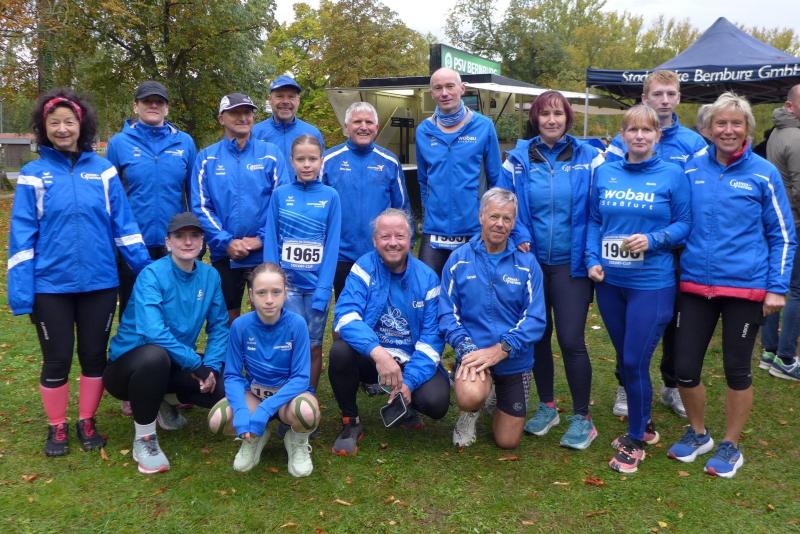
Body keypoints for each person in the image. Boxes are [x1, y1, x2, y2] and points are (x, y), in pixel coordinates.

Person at [8, 88, 151, 456]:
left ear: (81, 125)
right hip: (50, 287)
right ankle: (57, 426)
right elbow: (22, 237)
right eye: (54, 123)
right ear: (43, 127)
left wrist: (148, 272)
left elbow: (124, 226)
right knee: (56, 359)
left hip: (100, 284)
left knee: (93, 357)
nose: (62, 129)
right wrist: (22, 294)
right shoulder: (33, 174)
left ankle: (87, 421)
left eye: (69, 122)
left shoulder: (103, 171)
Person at [668, 93, 796, 478]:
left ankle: (731, 444)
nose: (728, 130)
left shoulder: (763, 173)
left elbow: (783, 235)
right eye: (720, 123)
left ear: (747, 129)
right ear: (708, 129)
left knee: (736, 369)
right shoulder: (690, 168)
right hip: (695, 286)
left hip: (745, 288)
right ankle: (698, 433)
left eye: (736, 123)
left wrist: (777, 287)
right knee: (683, 367)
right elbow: (675, 219)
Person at [587, 105, 691, 473]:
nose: (640, 136)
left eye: (647, 130)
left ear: (657, 136)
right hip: (611, 284)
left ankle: (635, 440)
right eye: (633, 130)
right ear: (622, 135)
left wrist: (653, 239)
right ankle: (644, 425)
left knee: (634, 361)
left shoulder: (672, 174)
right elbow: (594, 220)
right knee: (626, 359)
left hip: (652, 284)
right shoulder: (605, 172)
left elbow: (684, 225)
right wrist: (591, 259)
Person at [498, 91, 603, 450]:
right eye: (545, 114)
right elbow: (505, 204)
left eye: (558, 114)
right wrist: (520, 235)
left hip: (572, 266)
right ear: (536, 119)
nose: (552, 120)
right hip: (533, 264)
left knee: (571, 340)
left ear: (568, 118)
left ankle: (582, 417)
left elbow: (597, 211)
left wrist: (592, 255)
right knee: (538, 337)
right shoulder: (517, 159)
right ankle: (547, 406)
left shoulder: (589, 157)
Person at [604, 70, 706, 420]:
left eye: (671, 94)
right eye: (658, 94)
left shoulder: (693, 142)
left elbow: (699, 195)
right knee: (628, 324)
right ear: (644, 98)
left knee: (675, 322)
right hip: (627, 249)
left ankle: (671, 384)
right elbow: (609, 184)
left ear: (679, 97)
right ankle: (625, 381)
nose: (664, 100)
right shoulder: (623, 140)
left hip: (678, 251)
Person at [104, 212, 228, 474]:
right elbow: (153, 332)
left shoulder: (210, 276)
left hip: (175, 362)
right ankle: (144, 439)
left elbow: (219, 326)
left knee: (223, 386)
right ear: (168, 242)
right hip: (129, 369)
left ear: (202, 241)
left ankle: (163, 401)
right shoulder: (151, 275)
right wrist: (195, 363)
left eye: (194, 236)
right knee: (154, 357)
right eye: (179, 236)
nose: (187, 242)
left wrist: (211, 367)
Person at [329, 208, 449, 455]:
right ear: (375, 240)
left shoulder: (428, 279)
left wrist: (409, 382)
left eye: (399, 236)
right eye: (385, 236)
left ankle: (406, 403)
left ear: (411, 239)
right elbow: (345, 317)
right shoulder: (363, 268)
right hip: (373, 358)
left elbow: (431, 340)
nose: (393, 242)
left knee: (436, 403)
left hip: (410, 359)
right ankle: (351, 422)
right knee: (340, 352)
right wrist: (379, 353)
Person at [439, 188, 545, 449]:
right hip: (475, 355)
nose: (500, 224)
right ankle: (470, 412)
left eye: (507, 219)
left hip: (514, 359)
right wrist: (467, 349)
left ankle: (496, 395)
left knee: (507, 442)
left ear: (513, 223)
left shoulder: (527, 263)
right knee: (469, 396)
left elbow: (535, 319)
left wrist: (502, 348)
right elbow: (447, 314)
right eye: (494, 216)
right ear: (481, 217)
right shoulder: (459, 260)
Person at [192, 92, 287, 324]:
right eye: (235, 113)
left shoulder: (271, 155)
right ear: (221, 118)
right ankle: (231, 351)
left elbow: (283, 204)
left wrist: (261, 239)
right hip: (225, 254)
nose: (243, 117)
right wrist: (227, 242)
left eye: (247, 112)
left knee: (266, 316)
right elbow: (201, 207)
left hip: (264, 253)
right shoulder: (206, 158)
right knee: (227, 319)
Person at [106, 81, 197, 318]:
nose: (153, 105)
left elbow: (194, 192)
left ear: (167, 108)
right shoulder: (119, 143)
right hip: (132, 242)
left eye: (159, 101)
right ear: (136, 106)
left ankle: (172, 345)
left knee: (174, 309)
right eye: (147, 101)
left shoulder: (185, 143)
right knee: (134, 310)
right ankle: (134, 344)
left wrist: (197, 233)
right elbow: (109, 197)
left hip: (175, 241)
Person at [223, 263, 320, 477]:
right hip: (255, 395)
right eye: (261, 293)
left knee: (306, 413)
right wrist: (241, 411)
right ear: (251, 295)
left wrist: (265, 410)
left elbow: (301, 378)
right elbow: (232, 375)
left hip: (288, 399)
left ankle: (297, 441)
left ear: (285, 293)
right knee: (219, 419)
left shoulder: (297, 324)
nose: (269, 300)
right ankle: (254, 438)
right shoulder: (240, 326)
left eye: (276, 292)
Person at [264, 135, 341, 392]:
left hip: (316, 287)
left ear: (321, 161)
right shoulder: (280, 195)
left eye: (312, 159)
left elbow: (332, 246)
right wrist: (273, 284)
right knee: (289, 343)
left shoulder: (331, 196)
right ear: (292, 161)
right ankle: (285, 395)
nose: (307, 164)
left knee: (314, 345)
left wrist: (323, 290)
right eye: (300, 159)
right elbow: (271, 240)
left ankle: (307, 399)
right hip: (288, 287)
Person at [415, 68, 502, 275]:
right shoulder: (423, 131)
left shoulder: (483, 127)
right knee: (427, 288)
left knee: (471, 290)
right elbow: (423, 180)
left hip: (473, 230)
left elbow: (497, 180)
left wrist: (489, 220)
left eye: (450, 86)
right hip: (434, 231)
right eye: (438, 88)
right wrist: (429, 213)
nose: (444, 93)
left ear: (462, 89)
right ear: (432, 93)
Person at [322, 101, 410, 298]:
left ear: (376, 128)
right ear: (346, 127)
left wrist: (405, 248)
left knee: (381, 308)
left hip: (380, 253)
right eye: (357, 122)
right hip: (340, 255)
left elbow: (402, 210)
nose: (363, 127)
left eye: (369, 122)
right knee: (346, 309)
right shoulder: (328, 160)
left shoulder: (389, 161)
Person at [762, 84, 800, 381]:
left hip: (777, 221)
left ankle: (769, 350)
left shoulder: (778, 131)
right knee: (795, 289)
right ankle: (785, 358)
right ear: (790, 106)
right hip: (794, 223)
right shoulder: (796, 137)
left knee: (776, 284)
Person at [253, 75, 325, 166]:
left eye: (291, 97)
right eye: (279, 96)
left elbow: (321, 169)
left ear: (298, 101)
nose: (285, 101)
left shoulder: (312, 134)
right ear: (270, 100)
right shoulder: (255, 133)